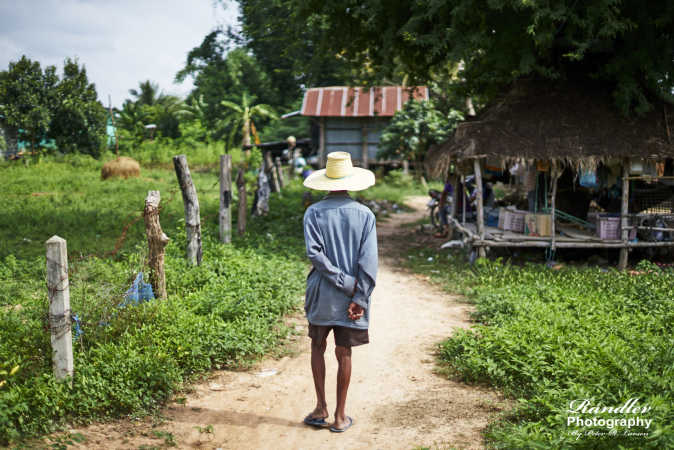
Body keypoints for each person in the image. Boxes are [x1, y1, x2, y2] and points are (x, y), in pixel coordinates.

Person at [301, 151, 378, 433]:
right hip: (352, 298)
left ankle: (320, 408)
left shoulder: (313, 213)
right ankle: (340, 416)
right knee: (344, 352)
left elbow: (315, 255)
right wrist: (358, 296)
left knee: (317, 347)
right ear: (350, 182)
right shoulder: (365, 215)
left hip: (321, 293)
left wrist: (339, 280)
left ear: (326, 182)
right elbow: (369, 262)